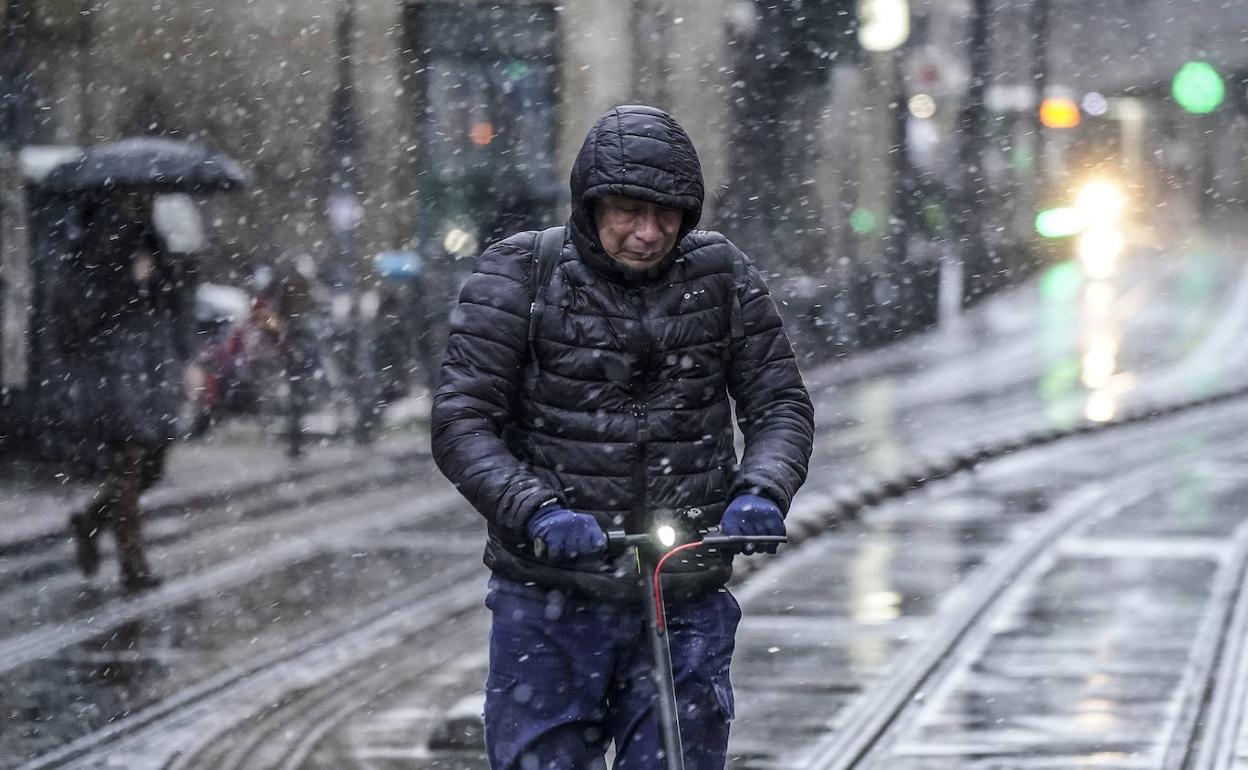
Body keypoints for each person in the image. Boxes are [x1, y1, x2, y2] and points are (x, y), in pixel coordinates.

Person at [431, 105, 815, 769]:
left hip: (682, 594)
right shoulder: (521, 273)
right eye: (629, 212)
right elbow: (462, 420)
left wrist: (763, 489)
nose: (647, 233)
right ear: (589, 204)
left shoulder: (719, 274)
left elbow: (779, 401)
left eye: (666, 215)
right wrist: (536, 509)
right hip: (548, 603)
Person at [58, 189, 193, 592]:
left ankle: (90, 521)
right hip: (114, 366)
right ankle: (133, 564)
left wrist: (159, 275)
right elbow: (87, 307)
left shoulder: (151, 235)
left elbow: (172, 297)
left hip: (151, 364)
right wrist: (125, 280)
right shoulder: (96, 236)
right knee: (129, 466)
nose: (146, 197)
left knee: (151, 468)